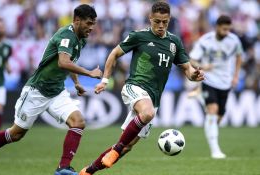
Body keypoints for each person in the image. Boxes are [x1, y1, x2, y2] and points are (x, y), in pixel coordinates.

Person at [0, 4, 102, 175]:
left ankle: (63, 168)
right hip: (36, 91)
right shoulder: (66, 35)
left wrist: (76, 82)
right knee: (16, 134)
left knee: (78, 122)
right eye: (89, 23)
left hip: (56, 91)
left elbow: (69, 63)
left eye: (94, 23)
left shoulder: (81, 39)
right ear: (76, 20)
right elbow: (63, 62)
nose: (92, 27)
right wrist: (90, 73)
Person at [79, 1, 204, 175]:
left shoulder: (174, 42)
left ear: (169, 20)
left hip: (154, 97)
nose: (161, 26)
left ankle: (88, 171)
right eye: (157, 21)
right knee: (147, 113)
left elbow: (187, 69)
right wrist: (105, 80)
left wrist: (194, 75)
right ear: (150, 18)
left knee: (128, 146)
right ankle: (116, 149)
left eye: (165, 22)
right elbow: (114, 53)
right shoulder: (139, 36)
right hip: (135, 87)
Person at [189, 15, 242, 159]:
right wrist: (202, 66)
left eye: (228, 29)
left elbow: (239, 56)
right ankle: (215, 150)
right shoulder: (205, 41)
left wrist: (236, 76)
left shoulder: (234, 40)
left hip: (225, 82)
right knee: (212, 111)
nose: (226, 32)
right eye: (224, 29)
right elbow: (192, 60)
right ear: (217, 27)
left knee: (218, 118)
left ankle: (200, 97)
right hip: (209, 80)